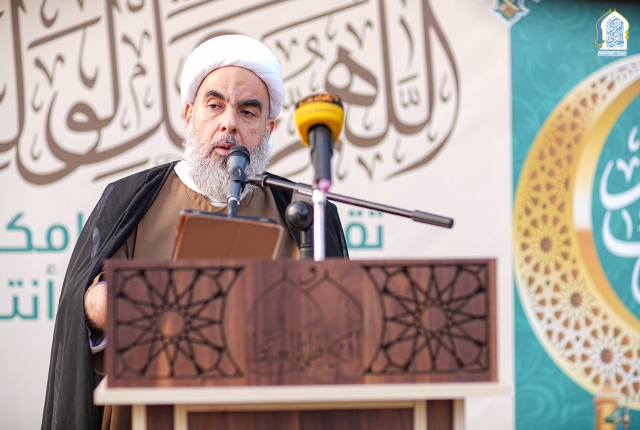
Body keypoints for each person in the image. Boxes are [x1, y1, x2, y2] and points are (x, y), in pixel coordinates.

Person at [41, 35, 348, 430]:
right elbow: (84, 303)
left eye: (248, 112)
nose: (229, 123)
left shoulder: (304, 211)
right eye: (215, 105)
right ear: (190, 115)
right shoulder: (130, 200)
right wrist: (155, 300)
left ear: (268, 128)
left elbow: (342, 331)